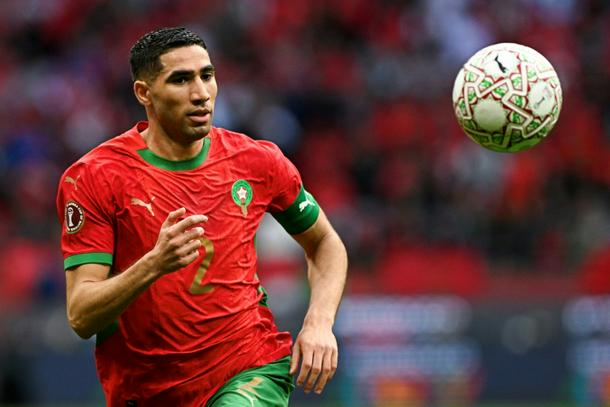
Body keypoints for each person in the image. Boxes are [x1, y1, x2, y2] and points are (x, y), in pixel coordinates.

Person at [56, 27, 348, 406]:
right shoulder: (95, 177)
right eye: (180, 80)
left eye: (206, 75)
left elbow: (324, 242)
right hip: (146, 390)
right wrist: (154, 265)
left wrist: (319, 322)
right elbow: (81, 315)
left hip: (249, 369)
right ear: (144, 93)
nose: (201, 93)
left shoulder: (256, 161)